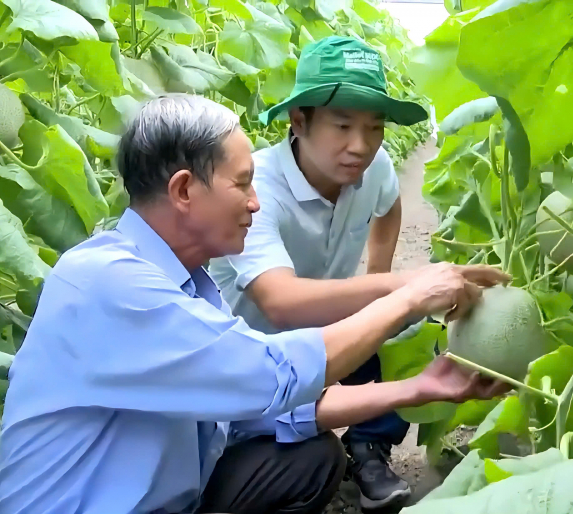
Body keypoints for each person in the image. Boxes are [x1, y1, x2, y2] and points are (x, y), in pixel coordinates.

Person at [0, 94, 510, 514]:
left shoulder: (193, 286)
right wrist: (407, 296)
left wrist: (418, 388)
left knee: (309, 458)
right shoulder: (108, 282)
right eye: (242, 184)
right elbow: (273, 375)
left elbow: (256, 414)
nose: (255, 201)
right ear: (183, 190)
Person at [207, 35, 453, 509]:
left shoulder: (373, 165)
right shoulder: (255, 190)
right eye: (342, 126)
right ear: (299, 121)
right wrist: (400, 288)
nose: (359, 146)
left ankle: (369, 449)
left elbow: (389, 205)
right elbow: (282, 303)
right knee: (399, 308)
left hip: (326, 329)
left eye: (374, 128)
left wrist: (380, 276)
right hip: (255, 352)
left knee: (409, 331)